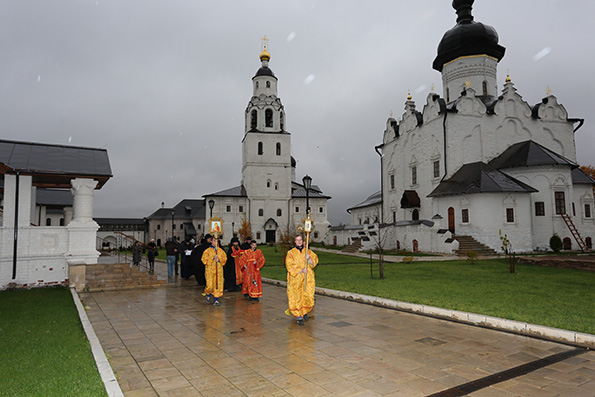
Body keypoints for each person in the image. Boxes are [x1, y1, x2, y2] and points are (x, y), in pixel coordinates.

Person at [285, 234, 318, 325]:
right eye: (297, 240)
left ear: (303, 241)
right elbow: (289, 266)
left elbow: (314, 262)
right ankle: (298, 315)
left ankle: (304, 312)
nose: (299, 242)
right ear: (294, 242)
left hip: (307, 277)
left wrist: (309, 259)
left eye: (300, 240)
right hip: (296, 278)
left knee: (307, 294)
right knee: (296, 296)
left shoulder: (308, 251)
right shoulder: (290, 253)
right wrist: (300, 270)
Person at [202, 236, 227, 305]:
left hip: (218, 271)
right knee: (210, 285)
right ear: (211, 241)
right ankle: (208, 295)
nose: (215, 242)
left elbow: (224, 259)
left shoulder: (220, 251)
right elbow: (204, 260)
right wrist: (212, 258)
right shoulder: (207, 251)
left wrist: (219, 259)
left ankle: (216, 299)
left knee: (217, 285)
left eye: (217, 241)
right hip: (210, 271)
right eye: (214, 241)